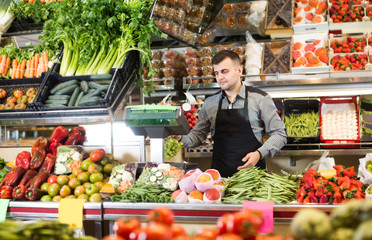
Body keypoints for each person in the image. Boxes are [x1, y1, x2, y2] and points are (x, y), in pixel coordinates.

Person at [175, 50, 287, 177]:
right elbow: (197, 136)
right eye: (216, 73)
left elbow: (279, 134)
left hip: (254, 179)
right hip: (220, 180)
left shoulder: (260, 99)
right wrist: (179, 139)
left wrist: (259, 153)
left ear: (239, 70)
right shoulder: (210, 103)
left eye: (224, 71)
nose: (219, 77)